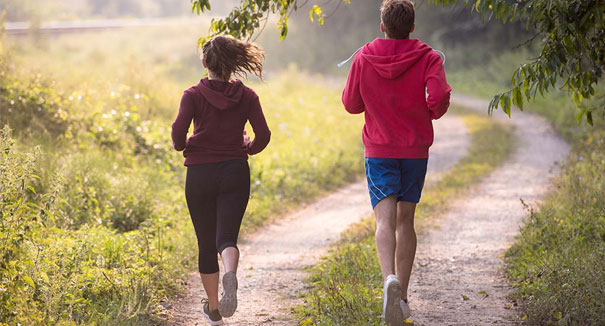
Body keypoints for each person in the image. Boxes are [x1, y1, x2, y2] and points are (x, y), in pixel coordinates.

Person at [341, 0, 451, 324]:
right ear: (412, 26)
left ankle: (388, 278)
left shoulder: (363, 57)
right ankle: (401, 297)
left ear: (382, 26)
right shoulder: (429, 57)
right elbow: (439, 97)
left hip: (379, 150)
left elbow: (350, 103)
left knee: (384, 222)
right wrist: (432, 110)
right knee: (406, 222)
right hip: (415, 151)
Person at [171, 35, 271, 326]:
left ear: (205, 62)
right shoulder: (248, 96)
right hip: (235, 171)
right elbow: (263, 135)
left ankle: (214, 311)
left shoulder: (192, 95)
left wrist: (188, 142)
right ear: (233, 63)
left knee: (205, 243)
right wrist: (247, 148)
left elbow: (178, 136)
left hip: (200, 173)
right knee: (226, 237)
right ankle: (231, 274)